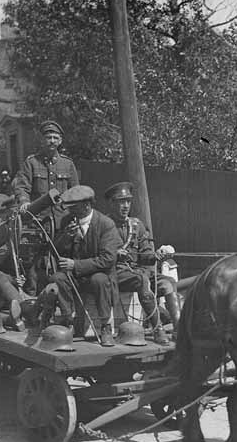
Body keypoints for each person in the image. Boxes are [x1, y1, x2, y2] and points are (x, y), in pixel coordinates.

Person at [43, 185, 120, 347]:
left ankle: (105, 326)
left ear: (87, 205)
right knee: (58, 278)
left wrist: (75, 264)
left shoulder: (106, 225)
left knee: (98, 279)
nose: (69, 210)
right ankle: (68, 322)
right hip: (77, 277)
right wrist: (65, 237)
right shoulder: (67, 221)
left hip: (101, 275)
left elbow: (108, 259)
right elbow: (55, 250)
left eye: (73, 207)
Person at [103, 181, 171, 345]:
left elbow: (145, 255)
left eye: (128, 201)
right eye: (121, 202)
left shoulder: (136, 225)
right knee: (142, 280)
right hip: (115, 274)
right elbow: (97, 254)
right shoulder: (103, 225)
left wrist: (156, 255)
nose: (126, 206)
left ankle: (177, 326)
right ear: (112, 203)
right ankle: (158, 329)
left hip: (137, 273)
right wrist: (115, 254)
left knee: (168, 283)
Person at [12, 120, 79, 211]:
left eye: (55, 138)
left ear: (60, 141)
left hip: (63, 216)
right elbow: (22, 187)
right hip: (38, 217)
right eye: (48, 138)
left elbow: (75, 190)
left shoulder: (68, 164)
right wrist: (24, 201)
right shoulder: (31, 162)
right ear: (42, 140)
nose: (52, 141)